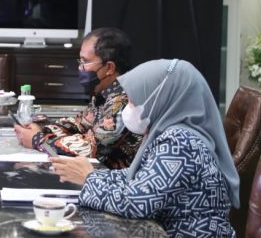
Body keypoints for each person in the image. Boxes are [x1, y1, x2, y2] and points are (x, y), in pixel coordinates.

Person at [51, 59, 238, 237]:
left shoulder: (181, 142)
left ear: (161, 99)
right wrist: (90, 174)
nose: (128, 107)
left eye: (134, 101)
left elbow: (137, 203)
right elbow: (137, 176)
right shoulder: (173, 133)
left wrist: (89, 178)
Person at [13, 27, 143, 169]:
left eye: (85, 62)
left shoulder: (125, 102)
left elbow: (90, 147)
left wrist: (37, 139)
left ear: (109, 68)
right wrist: (43, 128)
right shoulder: (105, 94)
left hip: (114, 179)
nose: (80, 68)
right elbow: (79, 124)